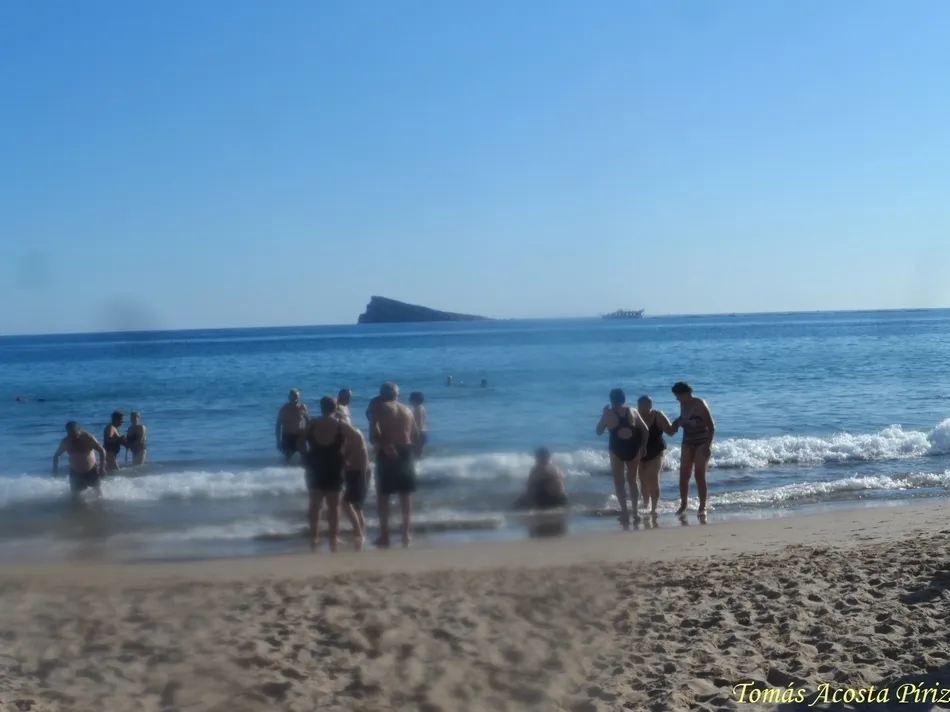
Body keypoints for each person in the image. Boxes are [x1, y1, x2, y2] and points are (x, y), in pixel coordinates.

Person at [297, 396, 364, 552]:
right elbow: (358, 439)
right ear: (335, 408)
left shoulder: (312, 424)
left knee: (315, 506)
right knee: (334, 507)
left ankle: (314, 537)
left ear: (321, 407)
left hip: (315, 468)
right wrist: (347, 457)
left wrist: (305, 456)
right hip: (335, 467)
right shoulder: (341, 425)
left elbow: (299, 443)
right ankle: (333, 538)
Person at [368, 382, 420, 548]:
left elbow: (373, 433)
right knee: (405, 496)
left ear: (382, 394)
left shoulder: (380, 408)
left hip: (388, 451)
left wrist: (384, 445)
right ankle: (406, 534)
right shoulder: (408, 410)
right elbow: (417, 435)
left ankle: (384, 535)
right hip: (406, 452)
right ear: (397, 394)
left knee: (384, 496)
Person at [596, 388, 649, 522]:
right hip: (633, 449)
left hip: (617, 450)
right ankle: (636, 512)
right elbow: (645, 430)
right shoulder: (633, 411)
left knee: (619, 483)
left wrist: (604, 414)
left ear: (611, 400)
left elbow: (598, 431)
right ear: (623, 399)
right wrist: (643, 446)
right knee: (633, 480)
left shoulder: (608, 413)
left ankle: (625, 512)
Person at [671, 382, 716, 515]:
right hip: (687, 441)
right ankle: (683, 504)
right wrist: (677, 423)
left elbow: (711, 426)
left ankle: (703, 507)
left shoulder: (699, 404)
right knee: (684, 475)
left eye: (677, 396)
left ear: (685, 394)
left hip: (702, 441)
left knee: (699, 474)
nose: (676, 399)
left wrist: (708, 446)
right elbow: (683, 419)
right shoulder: (682, 404)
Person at [636, 396, 677, 516]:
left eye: (644, 406)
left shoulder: (657, 416)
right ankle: (645, 504)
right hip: (640, 453)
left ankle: (654, 508)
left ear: (650, 406)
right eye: (639, 406)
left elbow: (670, 431)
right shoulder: (635, 416)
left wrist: (679, 422)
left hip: (656, 452)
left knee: (652, 478)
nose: (641, 409)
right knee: (642, 480)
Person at [53, 422, 108, 501]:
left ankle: (100, 509)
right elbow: (57, 456)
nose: (73, 436)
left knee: (98, 494)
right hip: (75, 472)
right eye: (70, 434)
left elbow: (102, 451)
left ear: (79, 430)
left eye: (74, 433)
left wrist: (102, 468)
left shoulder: (88, 438)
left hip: (91, 470)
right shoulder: (66, 442)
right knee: (75, 497)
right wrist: (55, 470)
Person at [341, 423, 371, 546]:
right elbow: (348, 453)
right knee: (357, 506)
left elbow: (363, 454)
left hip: (359, 472)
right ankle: (361, 532)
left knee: (346, 503)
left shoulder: (355, 434)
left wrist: (363, 476)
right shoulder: (347, 435)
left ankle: (358, 533)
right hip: (352, 472)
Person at [276, 389, 309, 463]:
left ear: (299, 397)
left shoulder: (303, 407)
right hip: (288, 436)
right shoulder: (284, 409)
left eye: (296, 396)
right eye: (293, 397)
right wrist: (278, 441)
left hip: (300, 435)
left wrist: (308, 436)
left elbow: (308, 421)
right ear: (289, 397)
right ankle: (285, 472)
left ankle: (302, 472)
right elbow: (278, 425)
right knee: (288, 457)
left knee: (305, 457)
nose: (295, 399)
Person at [408, 391, 427, 458]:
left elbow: (419, 424)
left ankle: (419, 467)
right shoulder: (418, 408)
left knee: (417, 454)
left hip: (420, 433)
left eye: (410, 398)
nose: (409, 399)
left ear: (415, 400)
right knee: (417, 453)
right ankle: (419, 467)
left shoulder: (419, 409)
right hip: (421, 433)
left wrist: (415, 435)